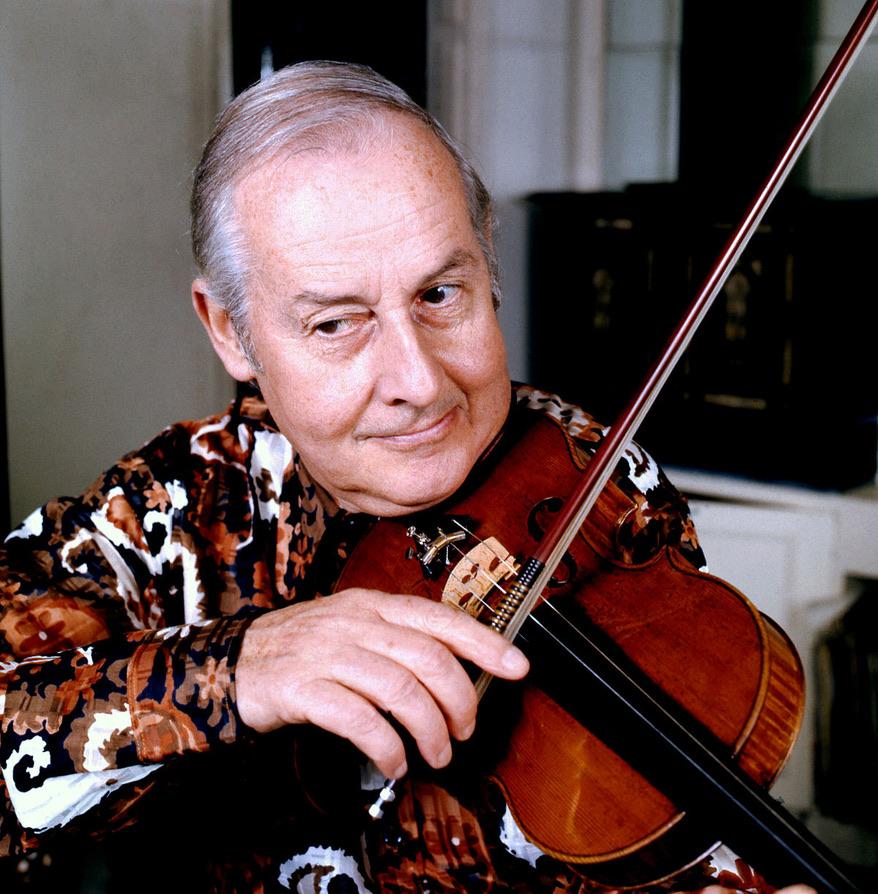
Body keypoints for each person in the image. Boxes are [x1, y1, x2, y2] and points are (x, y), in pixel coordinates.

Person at [0, 62, 815, 894]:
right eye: (335, 323)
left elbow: (675, 834)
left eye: (440, 293)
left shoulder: (592, 478)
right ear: (231, 332)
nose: (420, 383)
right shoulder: (182, 505)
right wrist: (239, 669)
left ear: (487, 259)